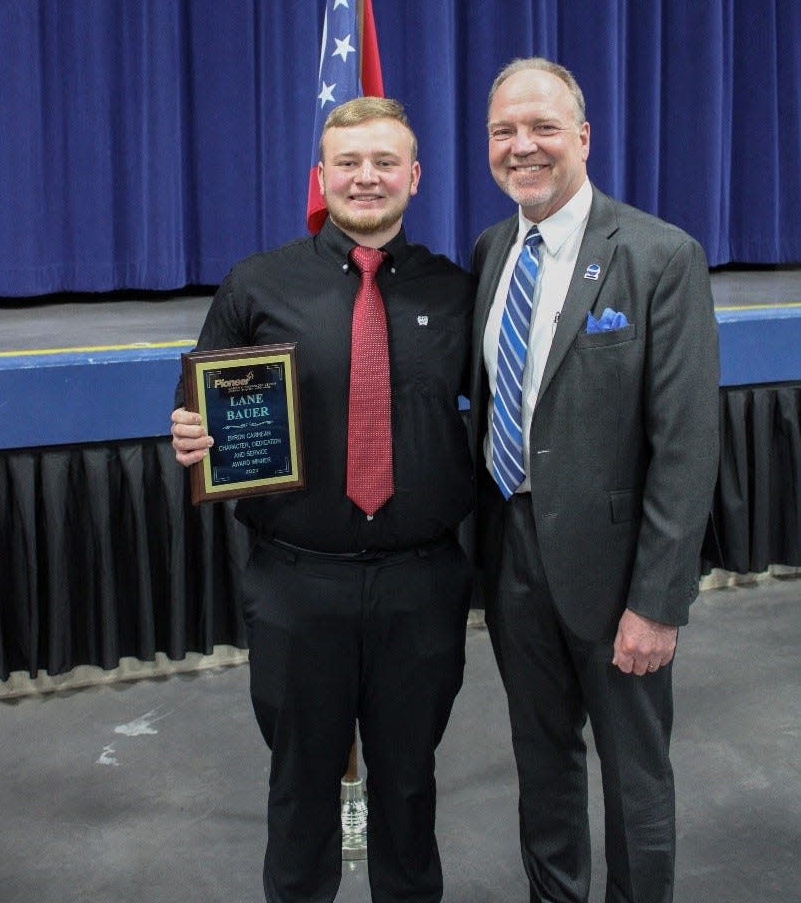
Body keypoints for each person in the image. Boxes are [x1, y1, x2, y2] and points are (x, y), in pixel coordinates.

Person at [171, 97, 474, 903]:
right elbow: (198, 404)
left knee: (409, 788)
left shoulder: (457, 291)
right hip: (297, 584)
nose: (365, 177)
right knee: (299, 788)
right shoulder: (256, 283)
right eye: (347, 162)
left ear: (413, 176)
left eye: (383, 162)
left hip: (423, 583)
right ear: (321, 177)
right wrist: (191, 435)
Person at [469, 57, 719, 903]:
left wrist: (657, 600)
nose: (522, 146)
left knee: (635, 782)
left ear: (582, 136)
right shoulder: (491, 249)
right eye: (504, 130)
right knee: (541, 771)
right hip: (513, 558)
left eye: (541, 127)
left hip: (617, 578)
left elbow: (684, 446)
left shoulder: (658, 255)